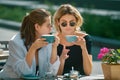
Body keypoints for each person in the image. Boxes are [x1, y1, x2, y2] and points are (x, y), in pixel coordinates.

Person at [0, 8, 60, 78]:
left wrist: (54, 47)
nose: (51, 28)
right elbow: (23, 73)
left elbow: (52, 72)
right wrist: (33, 48)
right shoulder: (16, 42)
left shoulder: (47, 40)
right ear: (37, 27)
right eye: (48, 25)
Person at [53, 4, 92, 76]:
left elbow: (88, 72)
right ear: (58, 22)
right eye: (64, 23)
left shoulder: (85, 38)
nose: (68, 26)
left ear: (77, 22)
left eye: (72, 23)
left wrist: (83, 48)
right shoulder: (54, 40)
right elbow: (56, 74)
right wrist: (61, 58)